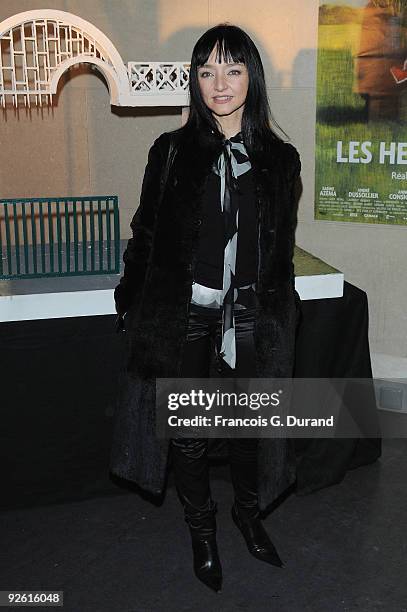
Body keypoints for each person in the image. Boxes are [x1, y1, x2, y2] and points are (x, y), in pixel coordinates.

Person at [110, 23, 302, 593]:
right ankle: (202, 529)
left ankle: (248, 514)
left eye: (233, 69)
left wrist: (279, 319)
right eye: (207, 70)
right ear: (195, 80)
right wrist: (131, 301)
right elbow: (145, 234)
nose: (220, 84)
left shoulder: (280, 160)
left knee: (248, 431)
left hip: (247, 319)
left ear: (252, 78)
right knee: (190, 431)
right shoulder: (170, 153)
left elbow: (279, 251)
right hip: (186, 315)